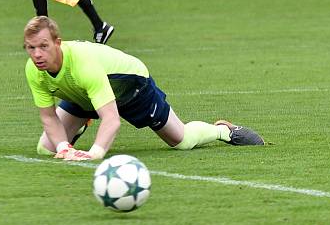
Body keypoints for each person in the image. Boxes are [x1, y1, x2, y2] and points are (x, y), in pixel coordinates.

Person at [23, 16, 264, 161]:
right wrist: (64, 149)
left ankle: (222, 131)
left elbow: (112, 120)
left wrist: (95, 153)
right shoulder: (33, 69)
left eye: (43, 46)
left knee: (181, 141)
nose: (37, 54)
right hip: (86, 96)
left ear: (58, 43)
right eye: (31, 48)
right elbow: (47, 116)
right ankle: (83, 121)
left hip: (131, 87)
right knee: (47, 149)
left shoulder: (83, 64)